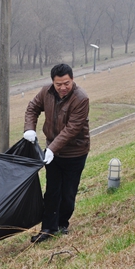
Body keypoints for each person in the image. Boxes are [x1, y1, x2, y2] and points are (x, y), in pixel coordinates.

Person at [23, 63, 90, 243]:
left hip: (75, 152)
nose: (62, 88)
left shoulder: (81, 98)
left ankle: (62, 224)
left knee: (68, 192)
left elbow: (72, 129)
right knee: (52, 191)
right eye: (58, 84)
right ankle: (48, 229)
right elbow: (32, 108)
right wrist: (29, 129)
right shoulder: (47, 92)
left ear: (72, 79)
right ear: (53, 82)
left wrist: (52, 148)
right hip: (52, 152)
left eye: (66, 83)